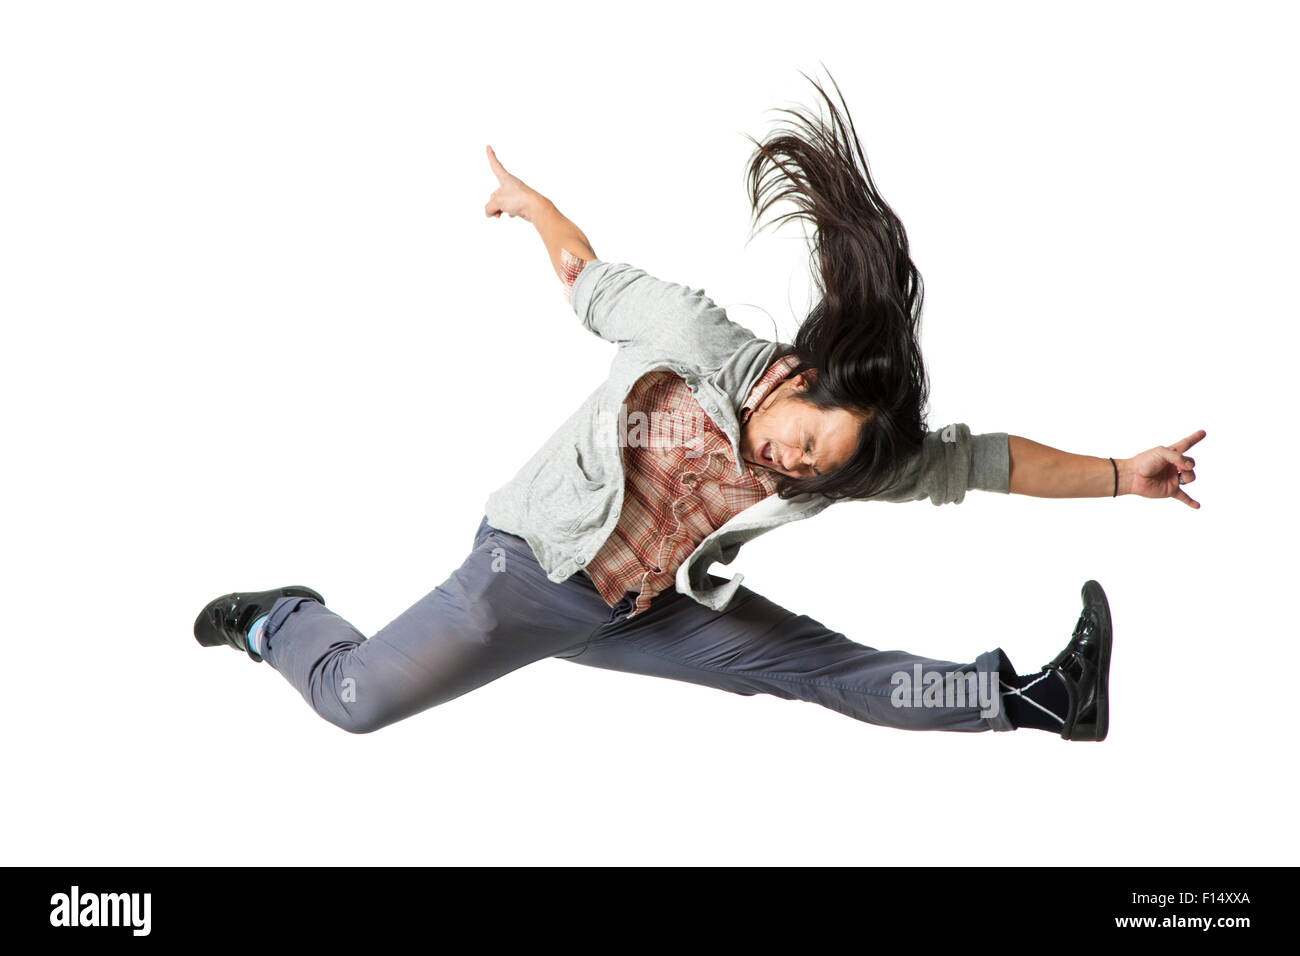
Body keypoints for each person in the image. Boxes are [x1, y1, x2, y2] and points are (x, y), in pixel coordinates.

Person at [194, 71, 1204, 742]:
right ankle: (278, 618)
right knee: (357, 698)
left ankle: (1028, 697)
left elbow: (984, 461)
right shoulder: (691, 336)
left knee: (824, 668)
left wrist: (1122, 474)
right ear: (797, 375)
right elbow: (586, 279)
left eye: (821, 467)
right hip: (529, 570)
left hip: (648, 609)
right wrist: (533, 207)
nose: (799, 467)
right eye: (802, 443)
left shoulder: (851, 455)